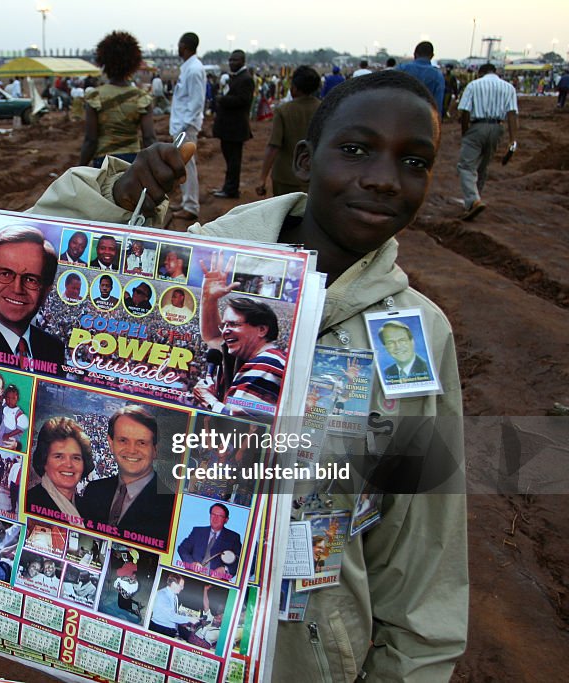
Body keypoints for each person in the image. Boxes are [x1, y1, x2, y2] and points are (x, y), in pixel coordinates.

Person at [29, 69, 466, 681]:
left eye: (414, 161)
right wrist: (114, 196)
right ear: (305, 158)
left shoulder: (415, 337)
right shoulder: (197, 269)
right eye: (357, 149)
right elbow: (24, 284)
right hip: (151, 645)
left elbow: (423, 539)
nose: (383, 179)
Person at [0, 226, 64, 373]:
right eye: (5, 274)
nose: (17, 289)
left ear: (46, 291)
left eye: (31, 279)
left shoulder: (54, 349)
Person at [77, 406, 176, 547]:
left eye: (141, 442)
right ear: (111, 444)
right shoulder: (94, 490)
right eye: (123, 440)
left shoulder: (169, 506)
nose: (131, 450)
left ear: (155, 450)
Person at [193, 293, 285, 416]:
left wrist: (209, 400)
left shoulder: (266, 365)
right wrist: (209, 297)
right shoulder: (269, 359)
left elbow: (239, 425)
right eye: (225, 325)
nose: (225, 331)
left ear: (262, 330)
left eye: (234, 324)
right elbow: (212, 336)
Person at [80, 31, 156, 168]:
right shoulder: (141, 98)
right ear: (133, 63)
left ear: (104, 62)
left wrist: (79, 168)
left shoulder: (95, 97)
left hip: (104, 162)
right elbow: (149, 138)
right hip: (133, 163)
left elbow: (90, 140)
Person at [456, 63, 518, 221]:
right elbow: (512, 114)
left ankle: (473, 200)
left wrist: (465, 132)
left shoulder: (474, 85)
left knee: (466, 165)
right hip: (497, 127)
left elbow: (465, 111)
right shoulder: (508, 87)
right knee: (483, 166)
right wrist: (513, 140)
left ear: (480, 72)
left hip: (477, 126)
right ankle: (475, 199)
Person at [255, 65, 321, 197]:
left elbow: (274, 146)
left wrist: (262, 178)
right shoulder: (324, 108)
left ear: (294, 88)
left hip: (285, 177)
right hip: (315, 176)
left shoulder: (283, 111)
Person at [24, 416, 94, 523]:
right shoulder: (28, 502)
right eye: (59, 456)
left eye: (76, 458)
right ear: (44, 461)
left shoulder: (88, 509)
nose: (69, 465)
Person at [169, 33, 205, 221]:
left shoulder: (194, 69)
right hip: (181, 125)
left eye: (179, 44)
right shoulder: (188, 68)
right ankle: (185, 201)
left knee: (187, 165)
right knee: (181, 164)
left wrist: (184, 126)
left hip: (186, 126)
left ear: (184, 46)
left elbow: (197, 101)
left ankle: (191, 205)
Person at [211, 50, 255, 199]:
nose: (231, 63)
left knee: (233, 161)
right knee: (230, 160)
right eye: (230, 60)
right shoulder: (236, 77)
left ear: (242, 61)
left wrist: (222, 100)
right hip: (229, 128)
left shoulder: (245, 79)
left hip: (235, 128)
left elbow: (243, 100)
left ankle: (231, 190)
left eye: (235, 60)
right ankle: (228, 187)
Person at [176, 503, 243, 578]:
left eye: (220, 516)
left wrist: (225, 569)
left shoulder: (234, 537)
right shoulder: (197, 531)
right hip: (191, 577)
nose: (215, 518)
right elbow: (182, 549)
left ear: (226, 520)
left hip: (216, 582)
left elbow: (239, 561)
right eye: (213, 514)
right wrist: (191, 563)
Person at [397, 41, 445, 112]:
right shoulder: (437, 75)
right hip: (424, 117)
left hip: (401, 114)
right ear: (432, 56)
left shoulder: (401, 69)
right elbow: (438, 104)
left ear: (415, 54)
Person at [148, 573, 199, 638]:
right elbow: (171, 616)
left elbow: (173, 614)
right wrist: (190, 619)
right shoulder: (162, 595)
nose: (182, 588)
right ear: (173, 584)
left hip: (168, 630)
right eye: (181, 586)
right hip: (159, 629)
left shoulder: (175, 596)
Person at [0, 384, 28, 449]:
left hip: (10, 434)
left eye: (13, 398)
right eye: (8, 398)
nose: (10, 401)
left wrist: (9, 434)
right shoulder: (5, 405)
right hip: (1, 431)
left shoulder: (19, 414)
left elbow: (20, 429)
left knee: (6, 447)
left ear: (17, 398)